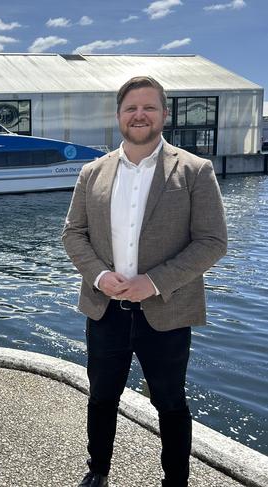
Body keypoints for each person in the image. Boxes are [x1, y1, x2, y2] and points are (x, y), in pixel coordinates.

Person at [62, 76, 227, 487]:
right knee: (101, 397)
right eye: (131, 108)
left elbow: (212, 241)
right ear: (118, 116)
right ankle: (97, 470)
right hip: (106, 311)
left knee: (171, 404)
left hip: (167, 311)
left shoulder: (194, 170)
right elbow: (72, 233)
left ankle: (176, 481)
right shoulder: (92, 172)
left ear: (164, 115)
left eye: (149, 107)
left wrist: (153, 283)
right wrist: (99, 275)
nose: (140, 115)